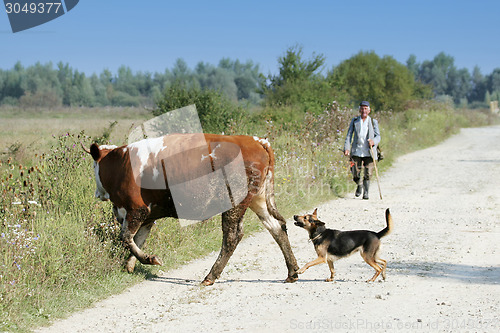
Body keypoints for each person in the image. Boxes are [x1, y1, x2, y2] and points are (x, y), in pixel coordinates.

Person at [343, 101, 381, 199]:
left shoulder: (373, 121)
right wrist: (346, 148)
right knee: (355, 171)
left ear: (369, 110)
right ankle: (359, 185)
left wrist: (373, 141)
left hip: (369, 151)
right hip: (357, 151)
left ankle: (366, 193)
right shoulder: (355, 120)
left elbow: (378, 136)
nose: (364, 110)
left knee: (368, 173)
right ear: (359, 110)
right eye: (362, 108)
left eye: (365, 108)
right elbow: (349, 135)